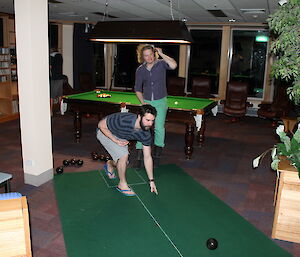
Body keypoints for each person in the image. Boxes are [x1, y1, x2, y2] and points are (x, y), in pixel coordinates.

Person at [97, 105, 158, 196]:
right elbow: (101, 125)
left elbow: (147, 157)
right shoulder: (124, 120)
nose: (150, 124)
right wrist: (115, 140)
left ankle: (110, 164)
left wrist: (151, 180)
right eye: (147, 120)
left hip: (121, 137)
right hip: (105, 132)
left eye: (152, 121)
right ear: (139, 116)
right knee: (124, 155)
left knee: (124, 162)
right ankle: (122, 184)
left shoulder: (145, 133)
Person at [134, 44, 177, 167]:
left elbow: (174, 65)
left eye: (151, 54)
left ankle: (157, 155)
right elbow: (137, 89)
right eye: (146, 56)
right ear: (143, 57)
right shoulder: (140, 70)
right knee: (142, 127)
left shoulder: (161, 64)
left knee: (158, 128)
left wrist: (162, 53)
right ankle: (139, 155)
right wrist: (143, 103)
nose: (149, 57)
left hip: (160, 101)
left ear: (154, 54)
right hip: (147, 101)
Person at [49, 48, 64, 116]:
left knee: (51, 96)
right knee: (60, 95)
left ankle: (50, 111)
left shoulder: (51, 57)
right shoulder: (60, 56)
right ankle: (61, 110)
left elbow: (50, 67)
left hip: (54, 78)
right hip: (60, 77)